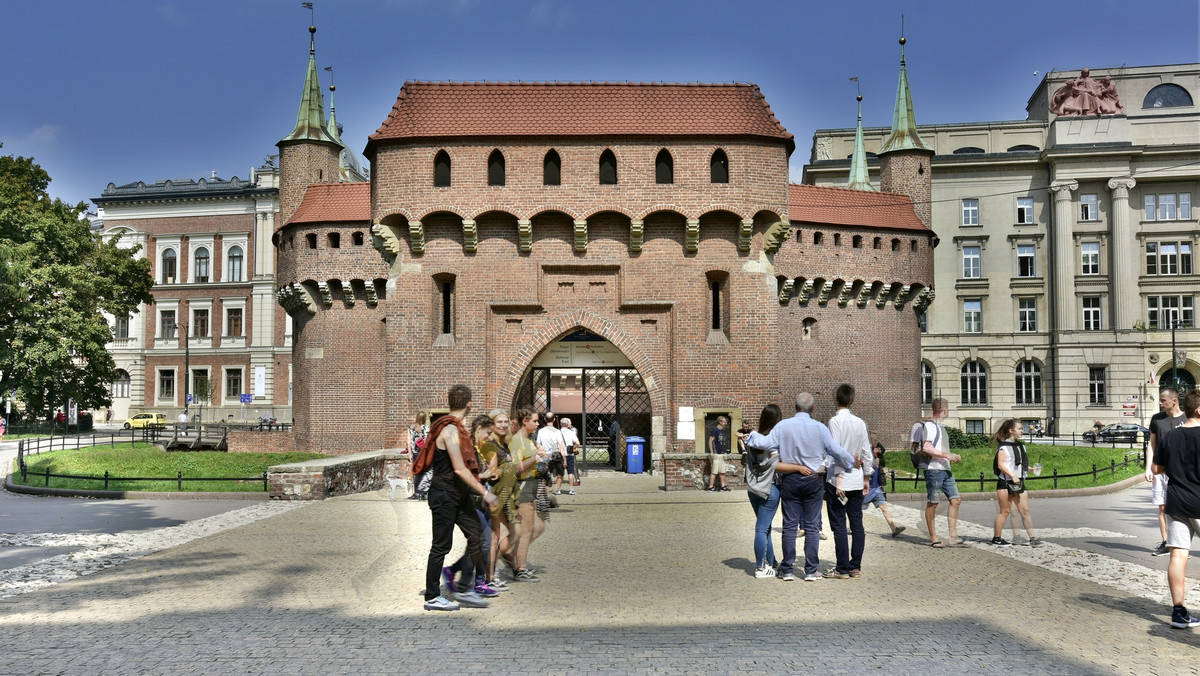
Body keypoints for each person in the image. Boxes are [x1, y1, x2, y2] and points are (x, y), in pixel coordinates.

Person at [422, 385, 499, 611]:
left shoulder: (455, 428)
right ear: (469, 404)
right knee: (441, 545)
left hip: (458, 494)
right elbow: (459, 469)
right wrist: (485, 492)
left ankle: (465, 588)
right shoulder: (450, 431)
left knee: (477, 536)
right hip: (444, 494)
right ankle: (432, 596)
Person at [766, 392, 857, 582]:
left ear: (794, 406)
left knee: (790, 526)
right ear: (813, 409)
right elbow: (834, 450)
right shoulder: (820, 428)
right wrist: (850, 462)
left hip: (790, 478)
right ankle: (810, 570)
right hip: (814, 479)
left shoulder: (783, 426)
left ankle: (788, 569)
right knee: (813, 525)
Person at [1151, 388, 1200, 629]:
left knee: (1178, 555)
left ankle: (1178, 611)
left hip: (1177, 501)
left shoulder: (1171, 436)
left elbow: (1156, 469)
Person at [444, 414, 502, 598]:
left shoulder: (476, 448)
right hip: (471, 500)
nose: (490, 437)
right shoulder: (467, 449)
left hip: (479, 500)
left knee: (481, 542)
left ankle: (469, 579)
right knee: (482, 541)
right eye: (488, 433)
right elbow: (465, 475)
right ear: (478, 430)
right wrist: (483, 479)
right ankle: (470, 581)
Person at [825, 384, 871, 578]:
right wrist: (867, 475)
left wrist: (838, 480)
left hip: (840, 480)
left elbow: (835, 451)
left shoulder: (834, 422)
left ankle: (842, 568)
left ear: (835, 399)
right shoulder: (860, 422)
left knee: (839, 525)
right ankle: (855, 566)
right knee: (857, 524)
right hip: (857, 479)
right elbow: (867, 451)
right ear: (852, 400)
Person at [916, 398, 962, 548]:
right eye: (948, 409)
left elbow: (939, 448)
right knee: (933, 503)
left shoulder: (939, 426)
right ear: (944, 410)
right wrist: (946, 455)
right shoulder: (930, 426)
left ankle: (953, 536)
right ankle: (933, 538)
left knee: (955, 500)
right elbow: (927, 447)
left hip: (945, 468)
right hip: (934, 469)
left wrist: (951, 455)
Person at [989, 419, 1042, 548]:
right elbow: (1001, 465)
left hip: (1019, 481)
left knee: (1025, 510)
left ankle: (1032, 537)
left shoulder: (1020, 446)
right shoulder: (1003, 447)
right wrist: (1012, 475)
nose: (1022, 431)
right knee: (1005, 511)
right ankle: (996, 538)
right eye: (1020, 429)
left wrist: (1029, 469)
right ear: (1011, 430)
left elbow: (1018, 463)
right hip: (1006, 482)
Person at [744, 404, 782, 579]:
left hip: (753, 487)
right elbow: (777, 464)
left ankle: (772, 562)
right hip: (770, 488)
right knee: (761, 528)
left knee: (764, 528)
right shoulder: (775, 440)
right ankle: (760, 567)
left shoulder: (753, 438)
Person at [508, 407, 546, 581]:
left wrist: (540, 463)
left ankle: (512, 556)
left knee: (538, 527)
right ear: (525, 421)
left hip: (531, 485)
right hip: (522, 487)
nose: (538, 424)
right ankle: (520, 568)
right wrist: (536, 458)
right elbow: (515, 469)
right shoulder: (518, 441)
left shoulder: (529, 440)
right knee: (527, 530)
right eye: (535, 421)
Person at [1148, 387, 1186, 556]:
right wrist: (1149, 467)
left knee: (1186, 507)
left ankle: (1182, 543)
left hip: (1183, 472)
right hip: (1161, 471)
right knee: (1162, 507)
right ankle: (1166, 542)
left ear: (1174, 400)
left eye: (1163, 400)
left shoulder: (1188, 418)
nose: (1160, 403)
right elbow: (1152, 444)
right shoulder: (1157, 419)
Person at [483, 409, 516, 589]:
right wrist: (497, 472)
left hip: (504, 495)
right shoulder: (490, 445)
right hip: (494, 495)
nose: (503, 425)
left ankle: (513, 568)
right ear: (492, 425)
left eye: (505, 422)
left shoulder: (503, 444)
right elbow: (490, 470)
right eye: (499, 422)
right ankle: (490, 576)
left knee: (502, 535)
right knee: (494, 537)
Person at [863, 439, 905, 538]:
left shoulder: (876, 454)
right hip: (867, 486)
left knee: (884, 507)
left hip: (876, 487)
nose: (877, 443)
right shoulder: (865, 453)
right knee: (858, 510)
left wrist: (877, 443)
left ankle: (894, 529)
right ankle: (858, 528)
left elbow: (883, 449)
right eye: (875, 441)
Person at [408, 411, 431, 500]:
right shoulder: (426, 428)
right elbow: (427, 442)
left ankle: (417, 493)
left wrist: (410, 453)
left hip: (415, 453)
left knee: (416, 473)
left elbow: (409, 442)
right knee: (425, 472)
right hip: (424, 453)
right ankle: (424, 493)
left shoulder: (411, 428)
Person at [556, 417, 579, 493]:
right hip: (569, 454)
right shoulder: (571, 432)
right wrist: (574, 448)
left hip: (560, 454)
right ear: (568, 424)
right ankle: (571, 489)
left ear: (560, 424)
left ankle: (558, 490)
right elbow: (577, 443)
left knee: (560, 473)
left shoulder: (557, 432)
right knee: (571, 472)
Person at [707, 415, 731, 491]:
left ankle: (723, 486)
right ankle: (710, 487)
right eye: (724, 422)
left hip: (722, 454)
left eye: (726, 422)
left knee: (722, 471)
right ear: (720, 422)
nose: (725, 423)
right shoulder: (715, 430)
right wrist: (712, 452)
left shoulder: (722, 430)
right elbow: (710, 441)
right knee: (714, 471)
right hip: (716, 453)